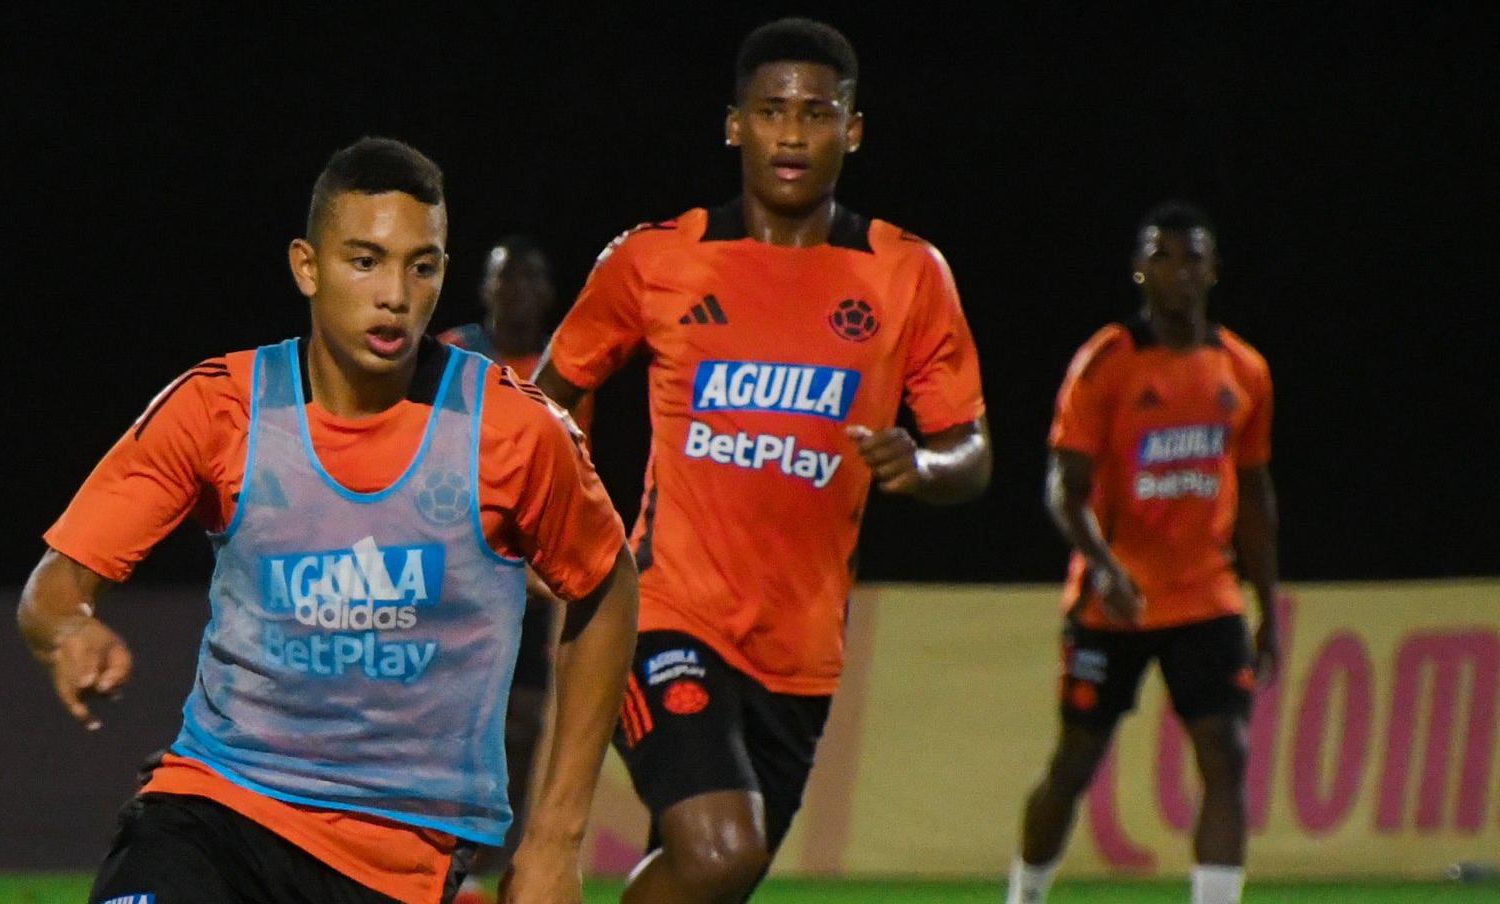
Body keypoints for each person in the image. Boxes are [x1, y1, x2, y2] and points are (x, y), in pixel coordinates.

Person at [18, 137, 640, 904]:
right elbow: (55, 583)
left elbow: (609, 588)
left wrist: (554, 841)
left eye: (423, 266)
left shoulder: (513, 431)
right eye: (365, 260)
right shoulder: (220, 409)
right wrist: (68, 630)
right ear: (306, 267)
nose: (396, 294)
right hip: (218, 809)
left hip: (398, 855)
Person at [533, 18, 991, 903]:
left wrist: (925, 468)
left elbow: (970, 449)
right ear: (734, 124)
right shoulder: (657, 259)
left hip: (802, 656)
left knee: (717, 877)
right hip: (663, 613)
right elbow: (547, 400)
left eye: (817, 113)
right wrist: (563, 525)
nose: (792, 132)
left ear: (851, 131)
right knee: (720, 849)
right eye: (772, 110)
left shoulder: (907, 275)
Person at [1008, 202, 1278, 904]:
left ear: (1213, 270)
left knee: (1227, 756)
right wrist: (1104, 565)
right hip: (1114, 599)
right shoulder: (1106, 364)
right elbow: (1062, 489)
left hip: (1206, 596)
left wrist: (1268, 611)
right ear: (1139, 267)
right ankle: (1025, 894)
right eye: (1163, 256)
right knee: (1075, 762)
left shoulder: (1244, 370)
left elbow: (1254, 495)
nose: (1178, 272)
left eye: (1193, 257)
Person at [437, 236, 589, 902]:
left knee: (522, 725)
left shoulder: (570, 364)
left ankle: (490, 867)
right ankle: (436, 862)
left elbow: (576, 471)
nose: (519, 290)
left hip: (527, 583)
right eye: (507, 278)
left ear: (548, 294)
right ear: (486, 289)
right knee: (444, 718)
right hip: (452, 571)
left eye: (532, 279)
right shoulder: (452, 352)